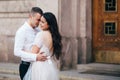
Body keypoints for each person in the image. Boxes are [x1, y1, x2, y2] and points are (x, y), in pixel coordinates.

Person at [23, 12, 62, 80]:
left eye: (43, 22)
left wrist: (24, 51)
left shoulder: (41, 34)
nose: (40, 23)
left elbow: (33, 53)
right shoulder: (54, 36)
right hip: (50, 66)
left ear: (49, 24)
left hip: (40, 66)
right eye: (40, 21)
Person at [14, 7, 47, 80]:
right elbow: (16, 51)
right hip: (26, 66)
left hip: (38, 66)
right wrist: (35, 57)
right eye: (38, 20)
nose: (39, 23)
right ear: (30, 17)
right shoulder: (22, 31)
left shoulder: (39, 31)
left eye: (40, 20)